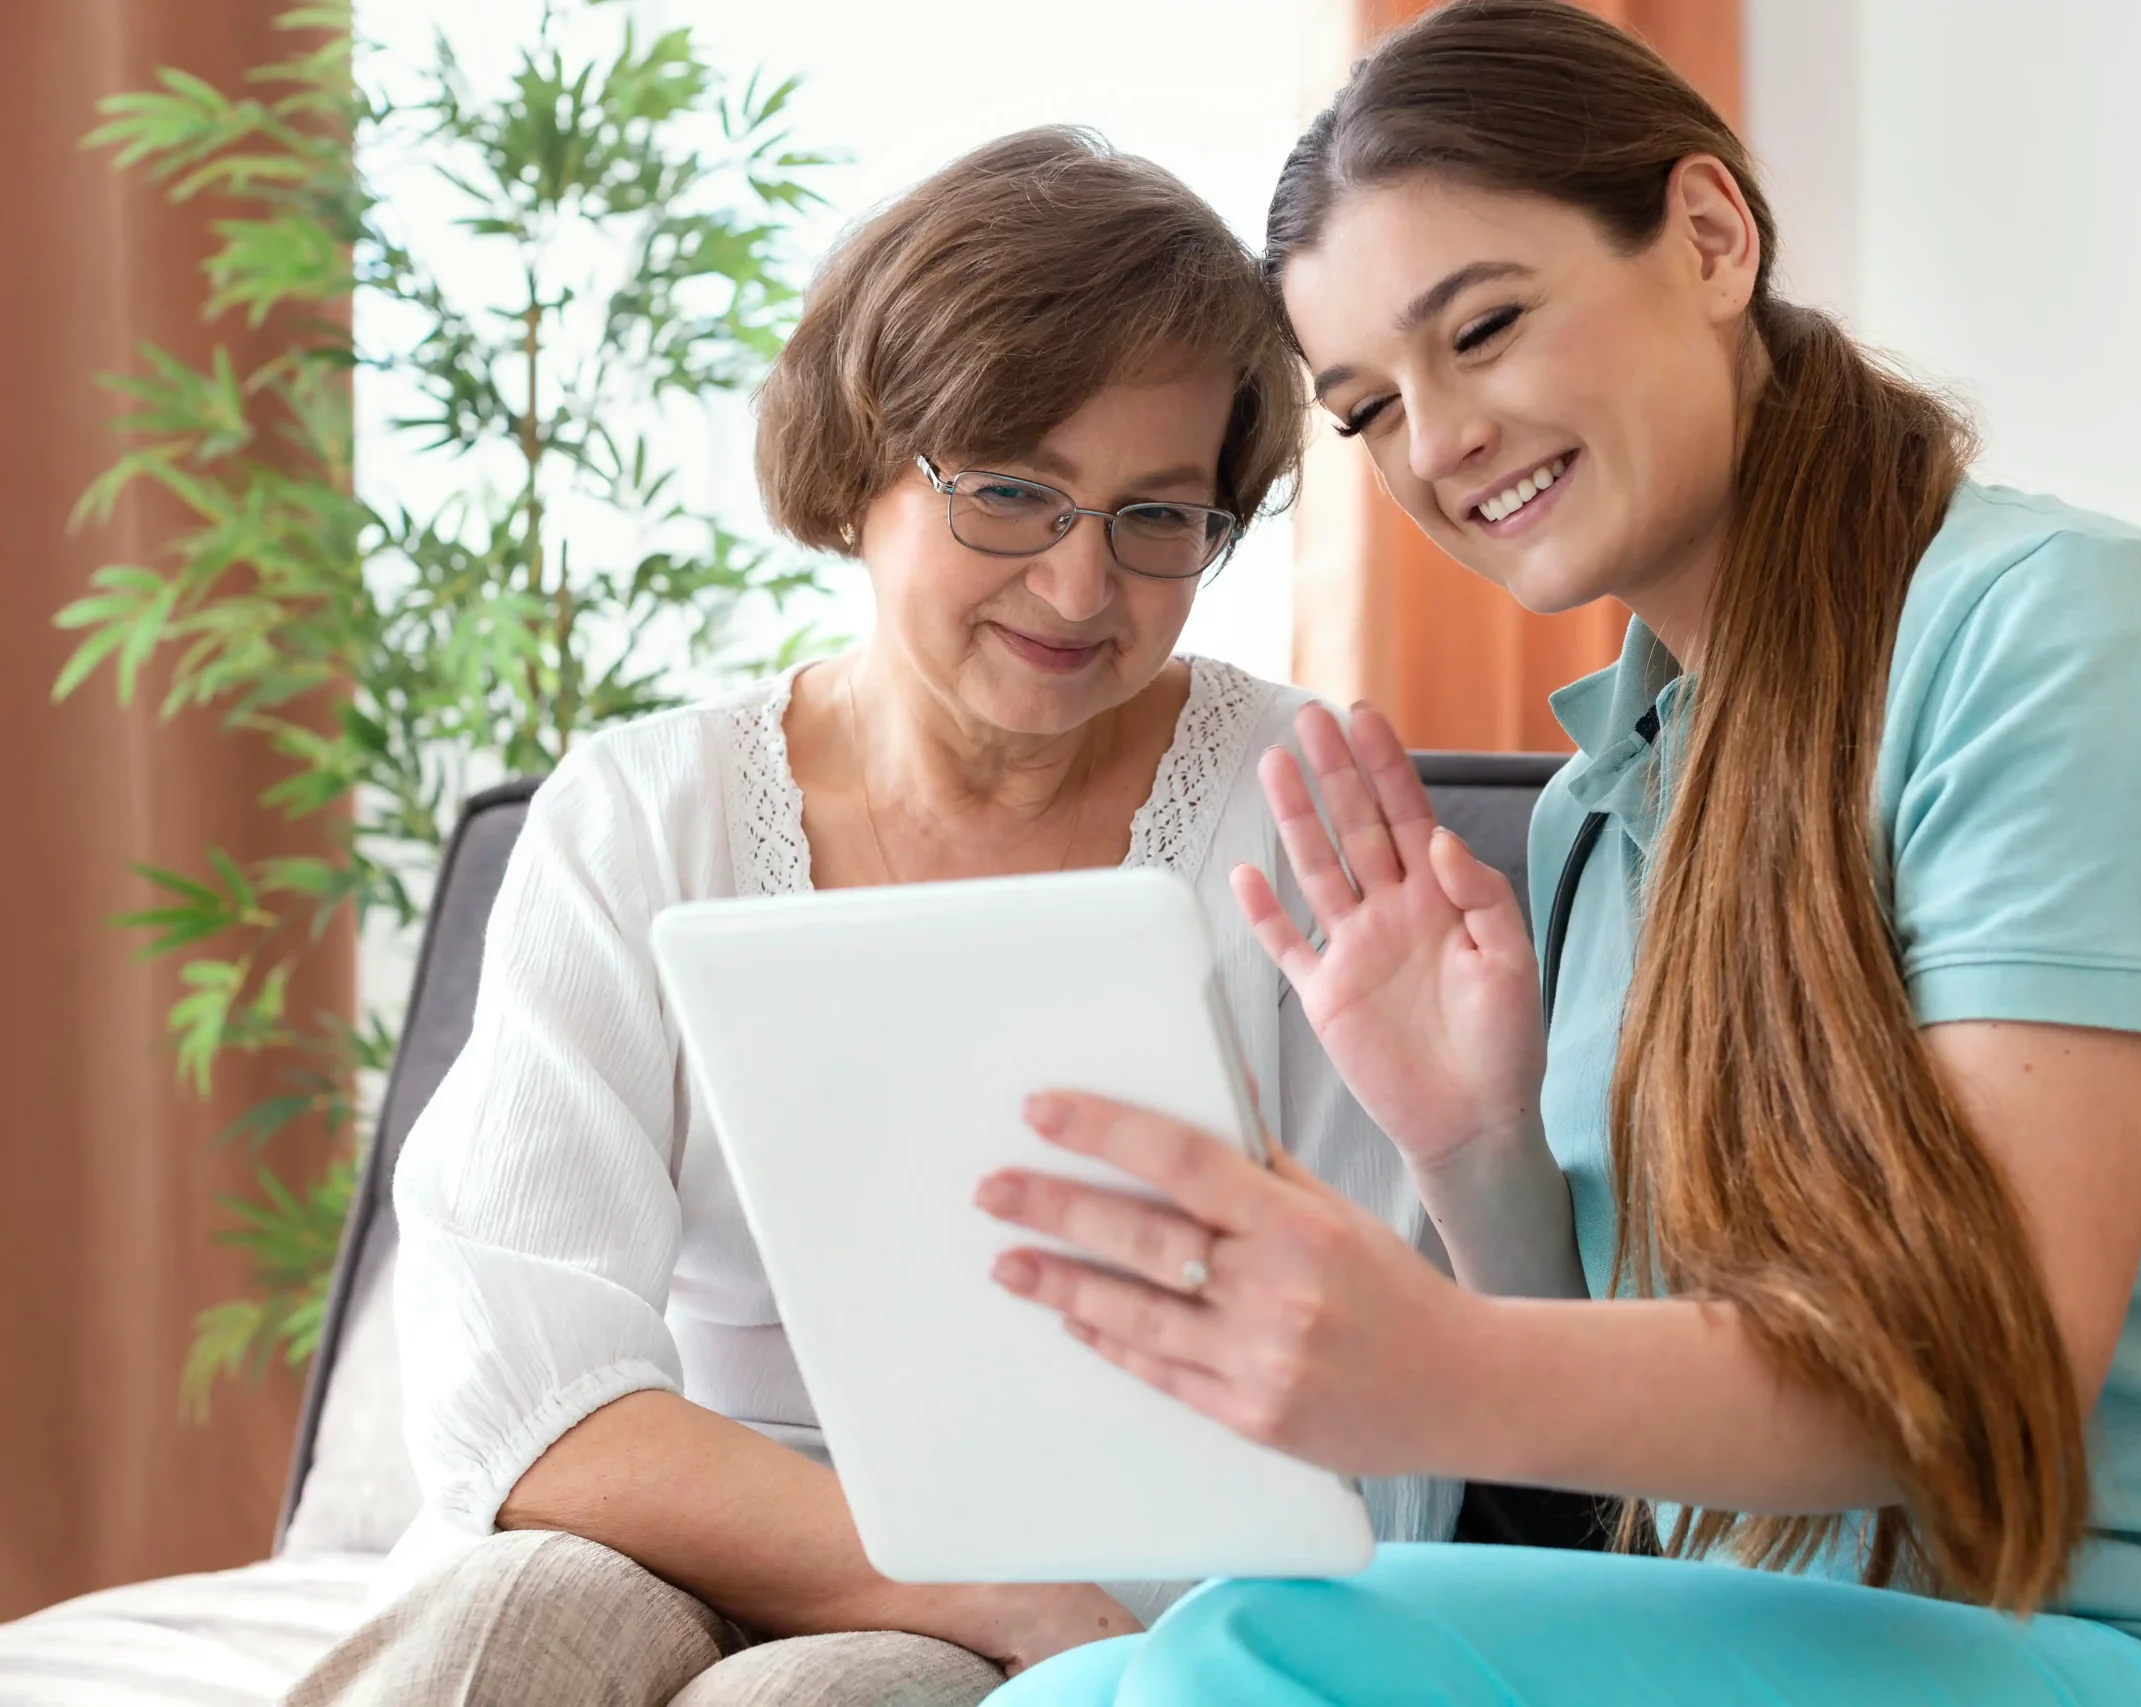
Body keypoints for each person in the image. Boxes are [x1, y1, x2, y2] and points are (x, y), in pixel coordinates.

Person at [971, 5, 2141, 1704]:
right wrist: (1474, 1135)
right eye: (1368, 411)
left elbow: (1975, 1381)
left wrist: (1424, 1367)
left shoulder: (2060, 637)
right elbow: (1654, 1483)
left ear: (1711, 235)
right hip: (1846, 1652)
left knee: (1250, 1654)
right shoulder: (1613, 795)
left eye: (1481, 327)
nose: (1437, 441)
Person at [283, 127, 1459, 1707]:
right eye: (1011, 495)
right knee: (516, 1626)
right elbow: (519, 1387)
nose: (1076, 588)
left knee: (830, 1697)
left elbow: (1381, 1415)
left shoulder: (1299, 805)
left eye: (1155, 517)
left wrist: (1045, 1606)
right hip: (671, 1513)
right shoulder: (641, 813)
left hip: (1104, 1575)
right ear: (861, 470)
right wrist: (966, 1581)